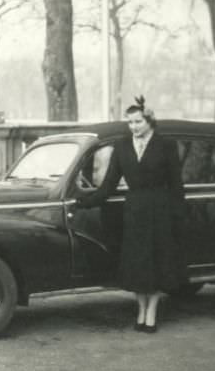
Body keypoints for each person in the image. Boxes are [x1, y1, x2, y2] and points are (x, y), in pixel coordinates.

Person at [76, 96, 186, 333]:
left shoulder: (166, 145)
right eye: (130, 123)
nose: (133, 127)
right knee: (137, 264)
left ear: (149, 121)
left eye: (138, 122)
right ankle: (140, 309)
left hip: (160, 210)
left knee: (156, 263)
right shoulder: (123, 146)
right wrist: (84, 202)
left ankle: (152, 312)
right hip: (135, 211)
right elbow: (108, 185)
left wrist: (177, 215)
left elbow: (177, 185)